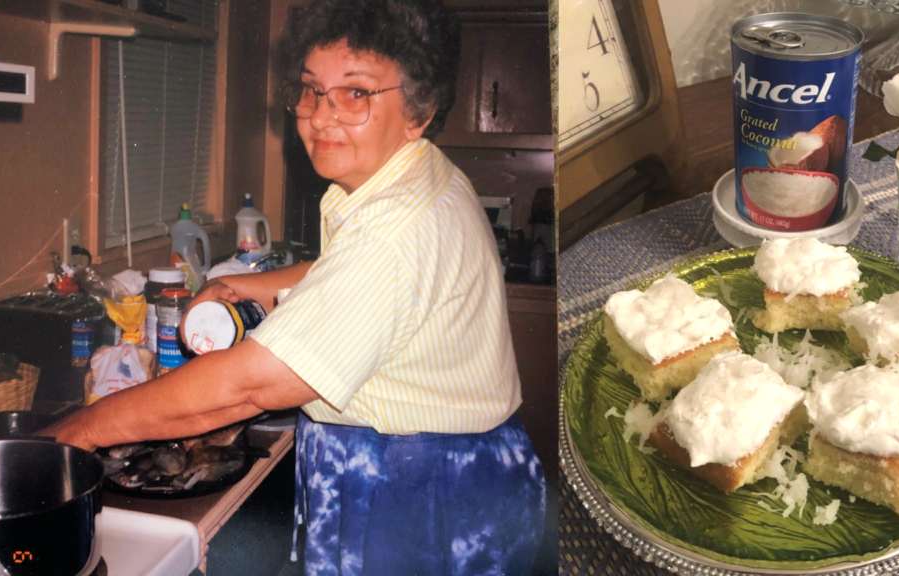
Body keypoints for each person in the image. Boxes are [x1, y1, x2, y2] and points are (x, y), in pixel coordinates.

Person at [42, 0, 546, 573]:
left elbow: (249, 387)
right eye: (311, 90)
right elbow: (345, 274)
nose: (321, 117)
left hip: (416, 500)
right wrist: (248, 284)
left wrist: (78, 431)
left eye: (356, 93)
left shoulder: (394, 229)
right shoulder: (415, 179)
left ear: (419, 109)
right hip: (455, 476)